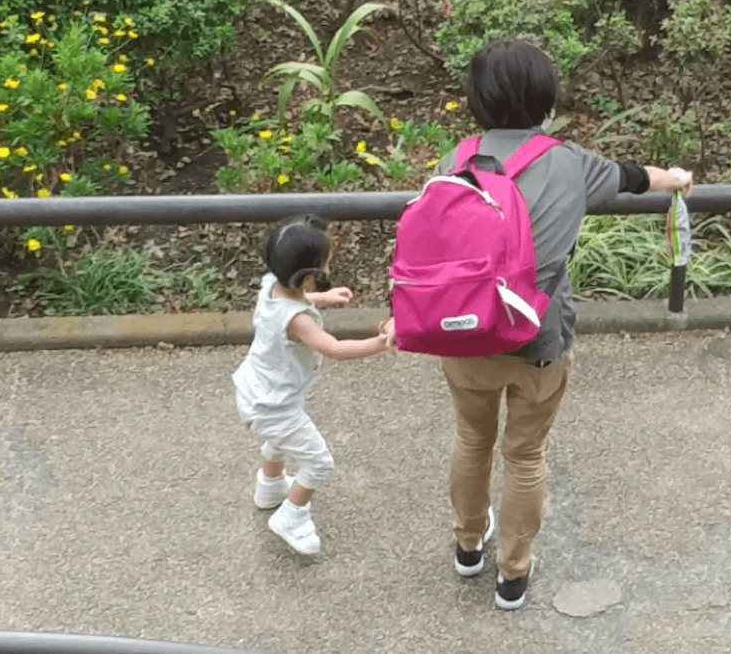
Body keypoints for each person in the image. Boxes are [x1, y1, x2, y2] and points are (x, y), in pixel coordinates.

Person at [382, 39, 693, 609]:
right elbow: (632, 177)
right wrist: (674, 177)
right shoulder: (570, 162)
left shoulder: (456, 158)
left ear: (476, 101)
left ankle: (468, 546)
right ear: (547, 97)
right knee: (524, 456)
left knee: (472, 440)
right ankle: (513, 574)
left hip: (463, 330)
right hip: (537, 336)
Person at [234, 214, 392, 555]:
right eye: (322, 268)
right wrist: (380, 343)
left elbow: (294, 300)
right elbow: (334, 348)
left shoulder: (270, 285)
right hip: (273, 404)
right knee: (319, 462)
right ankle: (292, 516)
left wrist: (323, 297)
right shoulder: (298, 322)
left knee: (278, 440)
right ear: (307, 277)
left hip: (257, 388)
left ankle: (270, 486)